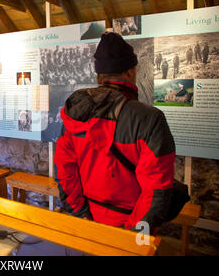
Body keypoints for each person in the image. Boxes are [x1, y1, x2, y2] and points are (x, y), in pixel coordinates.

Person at [54, 32, 175, 233]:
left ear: (99, 76)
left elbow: (65, 170)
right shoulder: (150, 119)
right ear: (130, 72)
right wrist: (134, 234)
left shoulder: (75, 114)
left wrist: (80, 213)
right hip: (131, 223)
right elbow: (157, 189)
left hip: (88, 220)